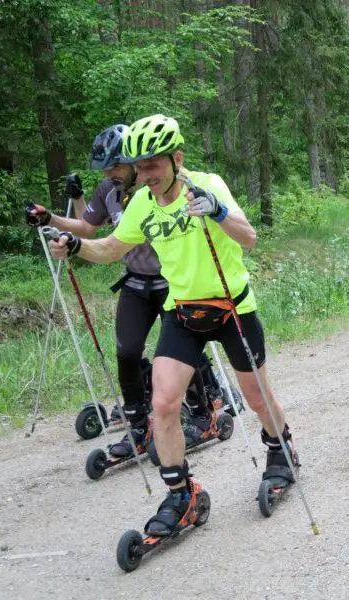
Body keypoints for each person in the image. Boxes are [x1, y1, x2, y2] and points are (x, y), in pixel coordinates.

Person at [49, 114, 298, 536]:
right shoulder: (142, 202)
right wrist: (75, 245)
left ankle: (280, 450)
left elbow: (249, 236)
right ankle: (181, 494)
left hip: (232, 308)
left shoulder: (209, 185)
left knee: (257, 398)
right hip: (183, 313)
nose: (145, 174)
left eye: (154, 164)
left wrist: (217, 211)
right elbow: (111, 248)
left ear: (176, 158)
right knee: (163, 404)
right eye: (140, 166)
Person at [26, 124, 179, 458]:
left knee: (177, 352)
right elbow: (88, 227)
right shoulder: (110, 190)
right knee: (127, 353)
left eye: (115, 166)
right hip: (136, 282)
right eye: (106, 168)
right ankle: (139, 427)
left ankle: (202, 402)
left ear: (133, 161)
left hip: (171, 282)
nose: (110, 173)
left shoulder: (156, 189)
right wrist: (50, 217)